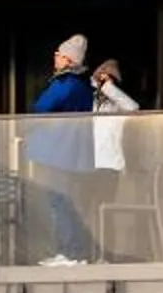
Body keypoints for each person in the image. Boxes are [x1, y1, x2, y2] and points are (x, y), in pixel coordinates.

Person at [27, 36, 95, 262]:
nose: (54, 57)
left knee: (60, 204)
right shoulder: (81, 86)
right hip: (71, 155)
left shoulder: (65, 84)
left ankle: (69, 253)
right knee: (66, 203)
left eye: (59, 54)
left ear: (68, 60)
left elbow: (40, 108)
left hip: (58, 153)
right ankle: (74, 252)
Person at [88, 57, 140, 252]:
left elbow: (134, 108)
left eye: (108, 78)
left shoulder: (118, 104)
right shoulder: (94, 101)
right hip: (91, 163)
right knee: (90, 210)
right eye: (101, 78)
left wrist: (109, 87)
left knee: (105, 210)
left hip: (110, 165)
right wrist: (97, 81)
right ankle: (92, 251)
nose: (103, 81)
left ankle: (106, 252)